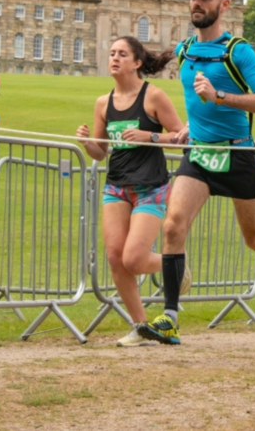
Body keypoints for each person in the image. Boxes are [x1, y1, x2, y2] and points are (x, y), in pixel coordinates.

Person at [137, 0, 255, 345]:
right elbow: (197, 103)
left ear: (223, 5)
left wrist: (220, 96)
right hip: (200, 155)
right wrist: (191, 126)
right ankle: (170, 317)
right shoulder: (185, 50)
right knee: (173, 226)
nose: (196, 4)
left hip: (238, 153)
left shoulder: (238, 51)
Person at [76, 36, 184, 346]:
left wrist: (147, 136)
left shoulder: (154, 97)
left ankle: (176, 267)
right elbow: (101, 152)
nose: (115, 58)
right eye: (111, 53)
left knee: (134, 259)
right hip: (116, 186)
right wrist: (86, 143)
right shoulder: (103, 103)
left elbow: (181, 136)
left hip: (151, 186)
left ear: (137, 63)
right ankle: (141, 326)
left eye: (122, 54)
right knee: (114, 257)